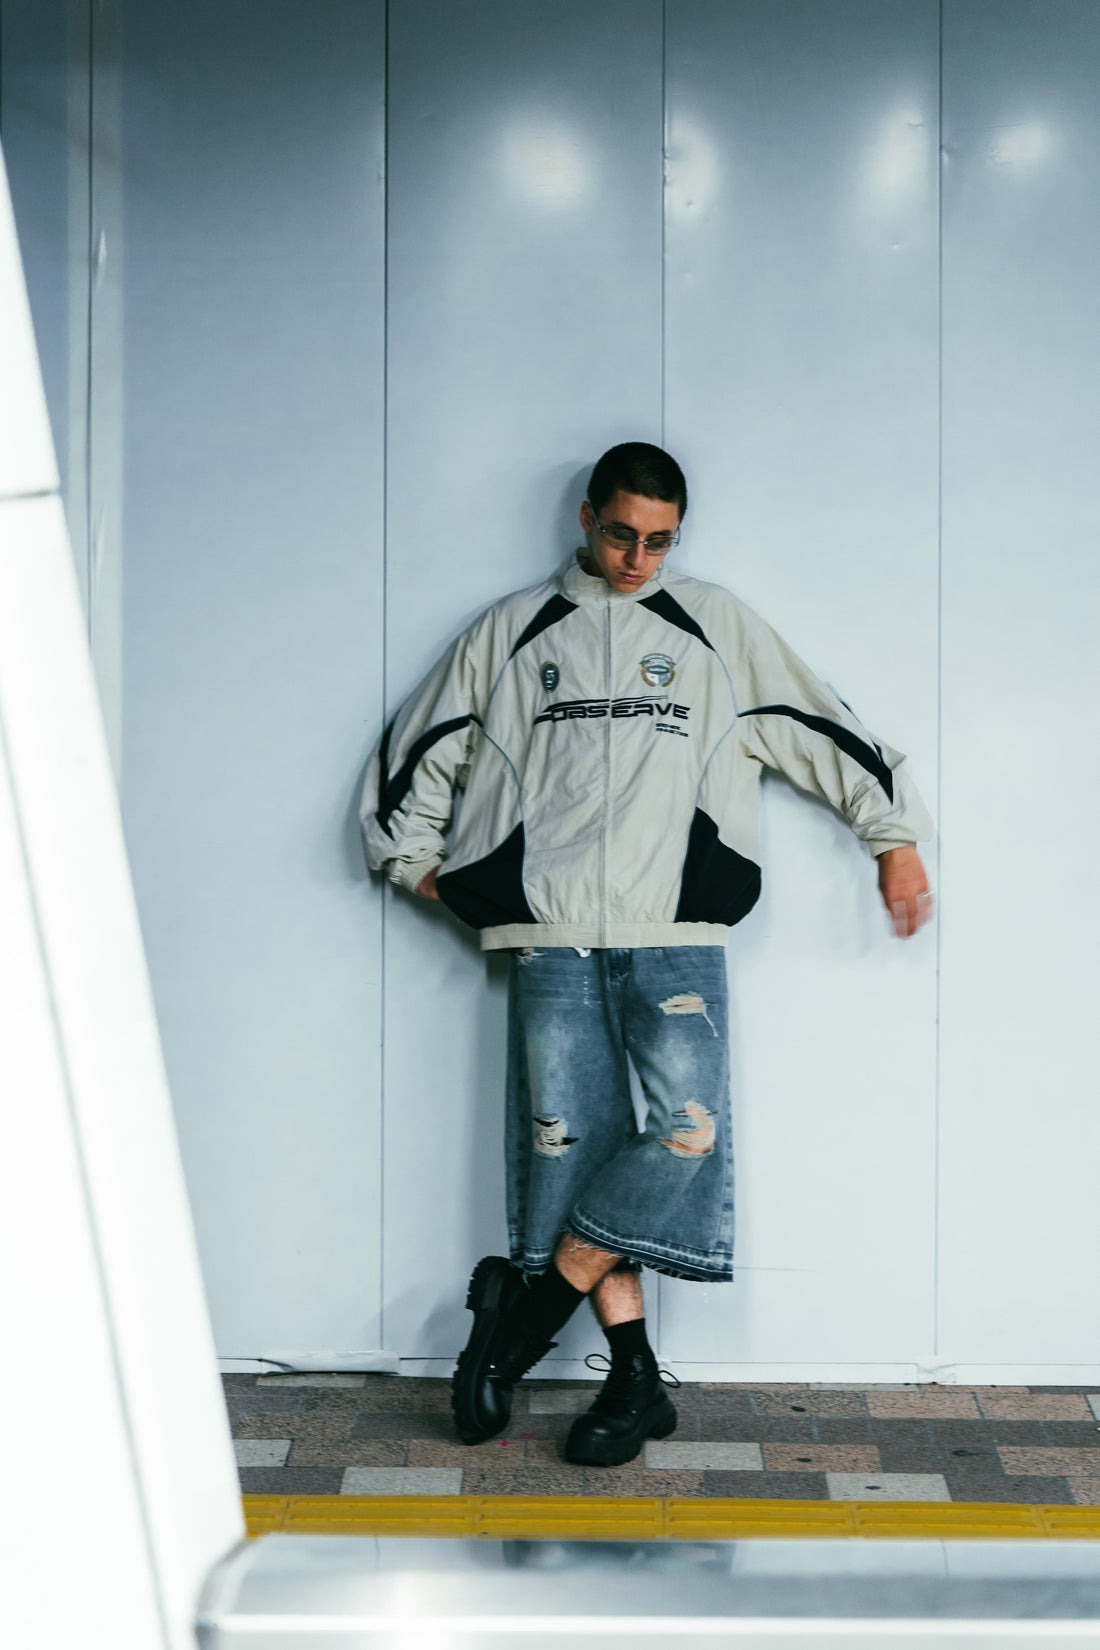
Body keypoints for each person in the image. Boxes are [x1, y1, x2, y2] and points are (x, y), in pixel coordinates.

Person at [361, 442, 932, 1467]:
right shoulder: (511, 630)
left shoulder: (713, 624)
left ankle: (522, 1320)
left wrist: (891, 839)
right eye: (621, 535)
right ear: (587, 518)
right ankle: (633, 1382)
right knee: (569, 1146)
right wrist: (417, 867)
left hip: (674, 928)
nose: (637, 559)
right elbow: (418, 751)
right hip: (553, 933)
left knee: (684, 1133)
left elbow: (819, 726)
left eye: (659, 542)